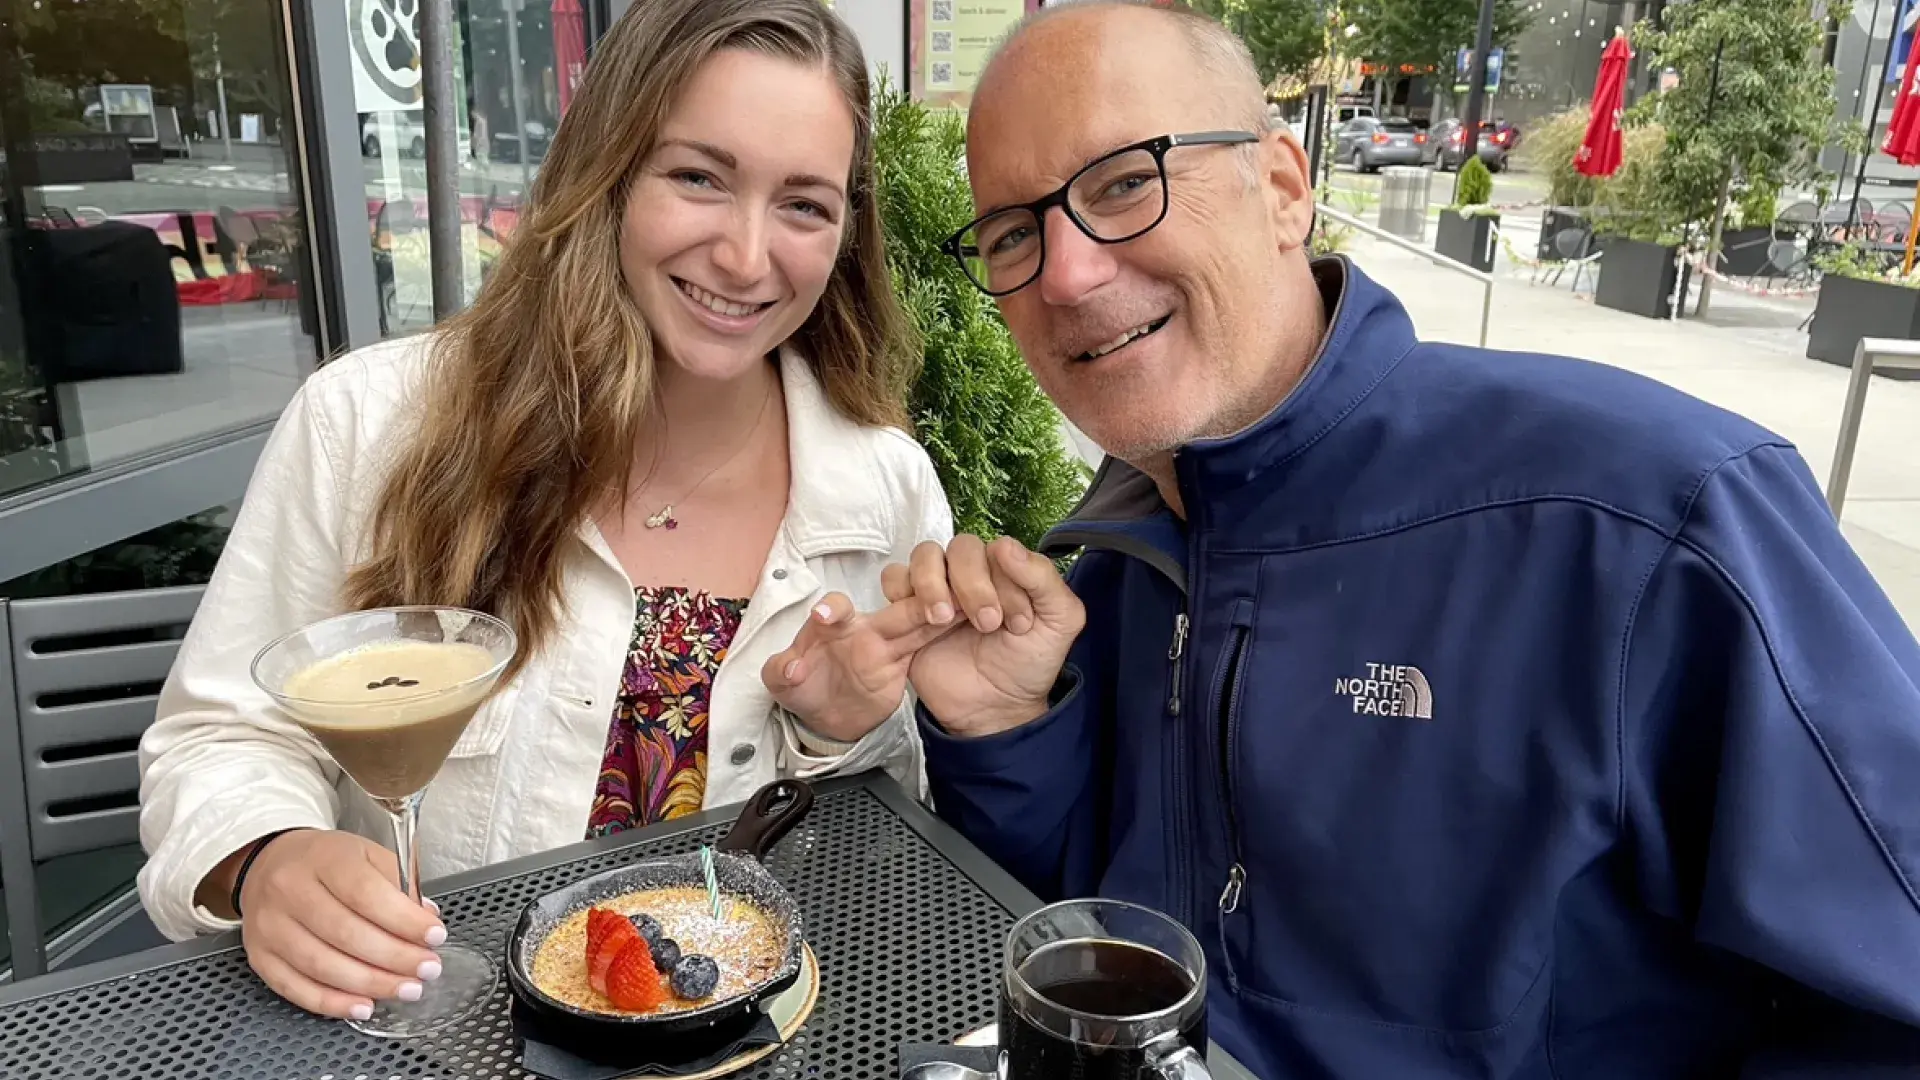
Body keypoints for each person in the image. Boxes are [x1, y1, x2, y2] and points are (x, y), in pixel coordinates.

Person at [883, 1, 1920, 1076]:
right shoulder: (1124, 563)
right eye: (1013, 232)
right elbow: (1099, 948)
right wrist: (1005, 731)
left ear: (1284, 190)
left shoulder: (1648, 521)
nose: (1065, 273)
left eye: (1124, 183)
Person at [138, 0, 953, 1022]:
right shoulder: (370, 424)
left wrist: (840, 735)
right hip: (425, 1030)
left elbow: (888, 865)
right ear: (603, 175)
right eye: (698, 176)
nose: (748, 257)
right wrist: (265, 856)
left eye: (804, 205)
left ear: (847, 234)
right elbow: (222, 732)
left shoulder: (888, 491)